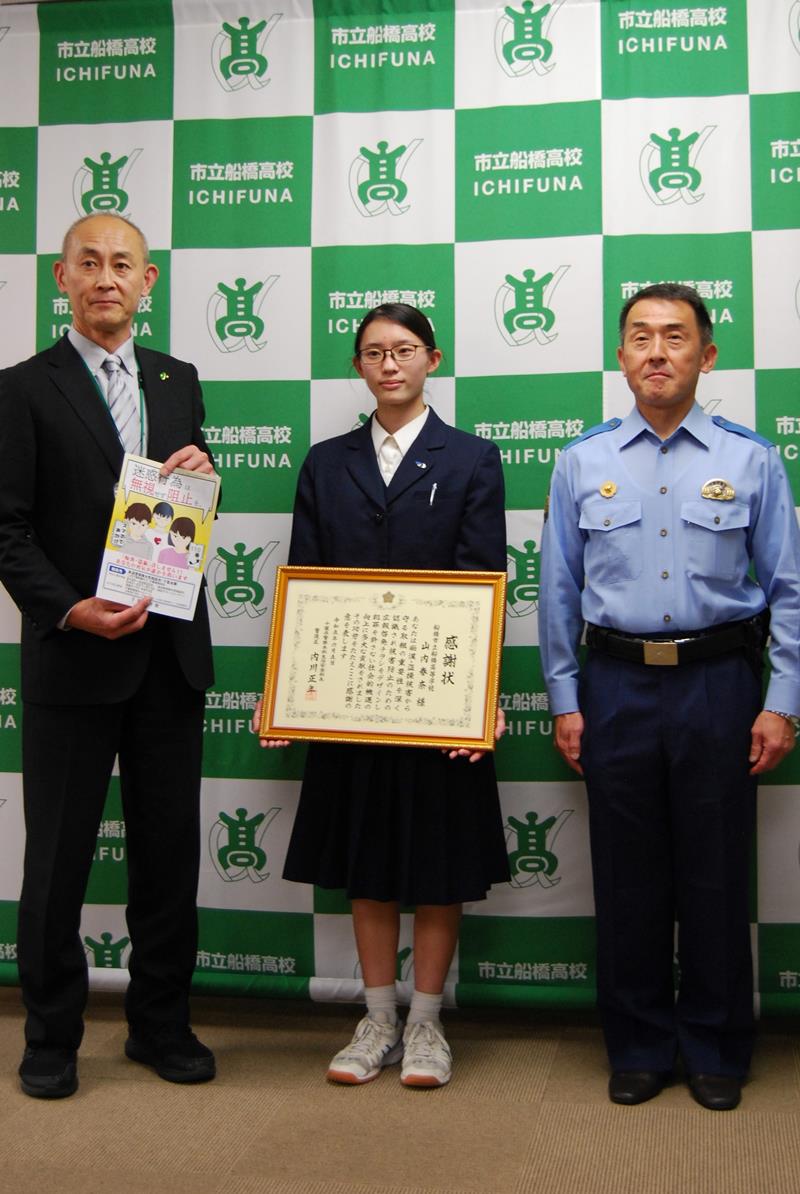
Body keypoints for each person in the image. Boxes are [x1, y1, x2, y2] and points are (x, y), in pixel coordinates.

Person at [539, 283, 800, 1112]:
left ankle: (719, 1047)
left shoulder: (749, 458)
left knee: (718, 873)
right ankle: (641, 1043)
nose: (657, 351)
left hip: (720, 683)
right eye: (641, 337)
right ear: (620, 356)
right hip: (614, 685)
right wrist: (565, 699)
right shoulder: (583, 461)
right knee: (627, 877)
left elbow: (789, 589)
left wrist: (781, 698)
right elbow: (556, 591)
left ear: (706, 355)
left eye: (676, 337)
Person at [255, 303, 509, 1088]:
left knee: (437, 860)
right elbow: (306, 581)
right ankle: (376, 1017)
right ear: (358, 367)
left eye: (404, 351)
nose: (389, 364)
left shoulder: (470, 458)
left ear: (432, 358)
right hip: (351, 694)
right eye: (373, 353)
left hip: (438, 694)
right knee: (367, 858)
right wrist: (286, 692)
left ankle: (428, 1023)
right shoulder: (326, 463)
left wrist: (482, 695)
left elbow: (483, 581)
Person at [0, 212, 218, 1098]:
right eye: (87, 263)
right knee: (57, 858)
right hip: (73, 661)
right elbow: (6, 530)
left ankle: (160, 1026)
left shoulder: (178, 379)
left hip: (169, 658)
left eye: (121, 264)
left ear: (148, 282)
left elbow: (181, 505)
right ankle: (50, 1035)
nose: (105, 278)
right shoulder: (21, 388)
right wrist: (69, 610)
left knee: (168, 854)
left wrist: (204, 480)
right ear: (62, 279)